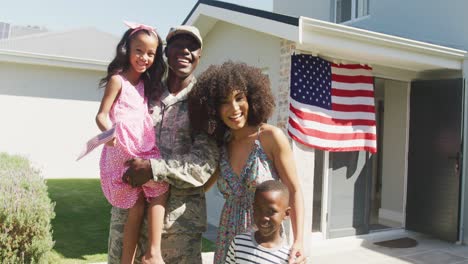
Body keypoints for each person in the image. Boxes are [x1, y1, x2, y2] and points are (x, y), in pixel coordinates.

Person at [108, 25, 219, 264]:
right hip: (129, 221)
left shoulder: (204, 103)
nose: (185, 51)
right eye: (178, 45)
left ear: (200, 55)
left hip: (177, 232)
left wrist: (153, 169)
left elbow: (204, 165)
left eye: (192, 47)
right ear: (166, 53)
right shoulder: (143, 90)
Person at [188, 61, 306, 264]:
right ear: (214, 109)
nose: (233, 108)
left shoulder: (270, 137)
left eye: (239, 98)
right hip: (228, 239)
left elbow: (294, 191)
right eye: (224, 102)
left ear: (252, 98)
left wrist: (299, 242)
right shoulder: (221, 145)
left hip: (265, 240)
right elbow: (201, 187)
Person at [95, 22, 168, 264]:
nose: (144, 57)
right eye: (139, 50)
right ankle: (138, 257)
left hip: (142, 146)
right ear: (127, 49)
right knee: (150, 195)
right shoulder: (118, 80)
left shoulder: (145, 84)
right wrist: (109, 135)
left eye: (150, 53)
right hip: (121, 148)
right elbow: (101, 115)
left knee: (148, 197)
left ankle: (151, 252)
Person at [225, 180, 292, 263]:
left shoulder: (289, 257)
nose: (263, 217)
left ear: (286, 213)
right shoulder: (238, 243)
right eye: (258, 209)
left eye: (271, 211)